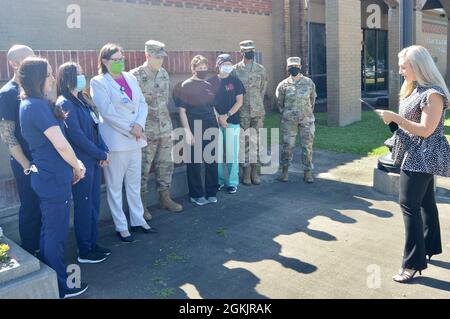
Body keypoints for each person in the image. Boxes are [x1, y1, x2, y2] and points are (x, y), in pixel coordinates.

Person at [376, 45, 450, 283]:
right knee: (426, 203)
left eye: (403, 66)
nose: (400, 71)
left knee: (409, 205)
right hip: (414, 153)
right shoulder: (415, 89)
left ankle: (413, 263)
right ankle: (429, 248)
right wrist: (393, 123)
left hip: (422, 157)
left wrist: (395, 118)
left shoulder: (433, 94)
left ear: (418, 66)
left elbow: (427, 131)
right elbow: (411, 124)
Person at [18, 56, 88, 298]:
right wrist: (77, 165)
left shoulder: (31, 104)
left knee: (50, 230)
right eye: (47, 74)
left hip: (48, 177)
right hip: (53, 179)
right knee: (55, 233)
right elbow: (61, 145)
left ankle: (54, 279)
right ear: (37, 78)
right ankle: (60, 285)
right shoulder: (36, 107)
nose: (51, 78)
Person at [90, 43, 156, 243]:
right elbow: (107, 112)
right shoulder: (99, 82)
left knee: (134, 184)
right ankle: (121, 226)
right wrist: (131, 128)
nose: (119, 63)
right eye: (115, 60)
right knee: (115, 186)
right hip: (117, 141)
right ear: (104, 61)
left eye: (121, 59)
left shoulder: (130, 77)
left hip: (136, 140)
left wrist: (139, 125)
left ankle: (137, 220)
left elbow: (142, 104)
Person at [56, 62, 111, 263]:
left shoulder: (82, 99)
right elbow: (77, 137)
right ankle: (85, 250)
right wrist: (100, 154)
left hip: (94, 160)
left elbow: (96, 127)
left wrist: (103, 151)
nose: (82, 76)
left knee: (94, 204)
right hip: (81, 163)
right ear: (68, 77)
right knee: (84, 206)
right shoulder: (65, 103)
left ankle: (92, 243)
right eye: (78, 73)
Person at [131, 40, 182, 220]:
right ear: (147, 55)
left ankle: (164, 197)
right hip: (146, 131)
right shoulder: (134, 76)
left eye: (162, 57)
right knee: (143, 169)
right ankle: (141, 205)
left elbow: (165, 101)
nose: (160, 60)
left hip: (165, 128)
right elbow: (132, 106)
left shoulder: (164, 74)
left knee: (166, 165)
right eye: (157, 56)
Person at [0, 45, 41, 255]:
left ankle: (46, 248)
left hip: (42, 158)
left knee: (44, 205)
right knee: (30, 206)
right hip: (26, 162)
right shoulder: (7, 93)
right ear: (14, 64)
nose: (32, 61)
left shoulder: (35, 88)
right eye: (27, 58)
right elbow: (7, 135)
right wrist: (27, 165)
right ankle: (32, 251)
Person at [173, 55, 219, 206]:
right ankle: (196, 194)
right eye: (199, 68)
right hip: (194, 125)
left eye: (205, 68)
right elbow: (182, 111)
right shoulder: (186, 85)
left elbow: (213, 107)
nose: (203, 71)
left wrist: (217, 124)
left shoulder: (208, 85)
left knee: (211, 161)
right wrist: (187, 132)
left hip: (211, 125)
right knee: (195, 162)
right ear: (193, 69)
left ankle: (211, 192)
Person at [275, 57, 317, 183]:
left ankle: (308, 172)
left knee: (307, 147)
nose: (293, 68)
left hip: (307, 119)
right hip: (289, 121)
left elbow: (312, 100)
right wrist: (288, 113)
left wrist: (306, 112)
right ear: (287, 68)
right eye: (291, 66)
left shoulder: (309, 82)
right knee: (288, 146)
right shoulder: (283, 85)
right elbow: (279, 103)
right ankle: (285, 172)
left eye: (296, 66)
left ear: (300, 67)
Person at [208, 54, 245, 194]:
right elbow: (209, 103)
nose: (228, 66)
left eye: (230, 64)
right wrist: (219, 118)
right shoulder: (210, 82)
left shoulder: (235, 81)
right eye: (225, 63)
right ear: (218, 65)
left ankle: (232, 182)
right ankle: (220, 181)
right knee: (217, 154)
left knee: (231, 154)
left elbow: (239, 101)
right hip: (215, 122)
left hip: (232, 122)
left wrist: (226, 116)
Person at [234, 40, 267, 186]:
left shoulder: (260, 69)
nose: (251, 52)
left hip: (258, 111)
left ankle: (255, 170)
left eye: (252, 50)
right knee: (244, 142)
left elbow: (263, 88)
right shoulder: (235, 70)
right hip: (242, 111)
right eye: (248, 50)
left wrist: (257, 102)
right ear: (242, 52)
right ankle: (246, 171)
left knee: (257, 141)